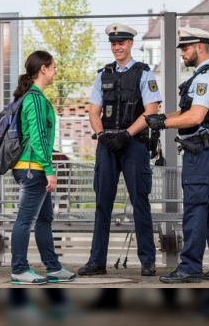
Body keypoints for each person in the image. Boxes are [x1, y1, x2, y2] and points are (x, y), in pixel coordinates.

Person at [145, 26, 209, 284]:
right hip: (207, 150)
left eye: (185, 48)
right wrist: (162, 117)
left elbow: (195, 117)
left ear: (199, 47)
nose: (182, 53)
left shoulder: (207, 78)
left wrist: (163, 124)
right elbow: (188, 112)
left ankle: (190, 268)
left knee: (196, 210)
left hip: (201, 152)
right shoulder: (204, 76)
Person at [78, 23, 162, 277]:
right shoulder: (103, 74)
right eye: (113, 44)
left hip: (134, 144)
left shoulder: (144, 73)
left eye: (121, 43)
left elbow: (152, 111)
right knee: (102, 204)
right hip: (107, 145)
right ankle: (97, 262)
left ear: (130, 44)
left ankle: (147, 261)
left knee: (140, 201)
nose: (117, 47)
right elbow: (94, 111)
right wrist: (102, 136)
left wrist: (126, 134)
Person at [9, 50, 76, 285]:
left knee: (45, 219)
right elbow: (37, 138)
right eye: (54, 67)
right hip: (32, 168)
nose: (56, 71)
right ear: (43, 69)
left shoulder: (33, 97)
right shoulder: (35, 99)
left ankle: (53, 268)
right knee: (25, 220)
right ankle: (19, 269)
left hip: (33, 166)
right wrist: (48, 169)